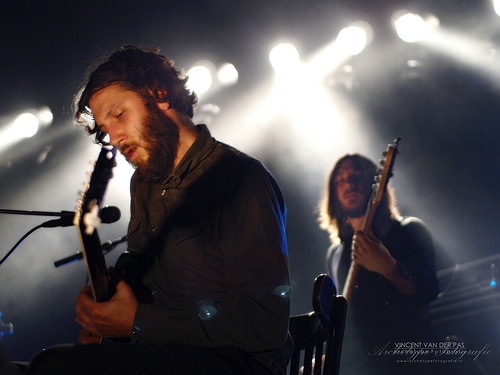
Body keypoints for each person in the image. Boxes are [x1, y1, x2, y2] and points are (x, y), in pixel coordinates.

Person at [25, 46, 291, 375]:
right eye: (106, 130)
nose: (115, 136)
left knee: (54, 367)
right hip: (166, 356)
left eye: (119, 114)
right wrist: (106, 307)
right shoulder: (144, 184)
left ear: (159, 92)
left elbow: (266, 322)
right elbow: (149, 286)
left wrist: (138, 322)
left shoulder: (240, 177)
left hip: (235, 364)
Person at [318, 153, 439, 375]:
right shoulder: (334, 255)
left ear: (377, 185)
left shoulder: (409, 231)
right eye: (341, 179)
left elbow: (428, 290)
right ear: (333, 195)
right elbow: (348, 321)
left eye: (357, 175)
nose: (350, 183)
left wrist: (390, 268)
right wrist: (330, 355)